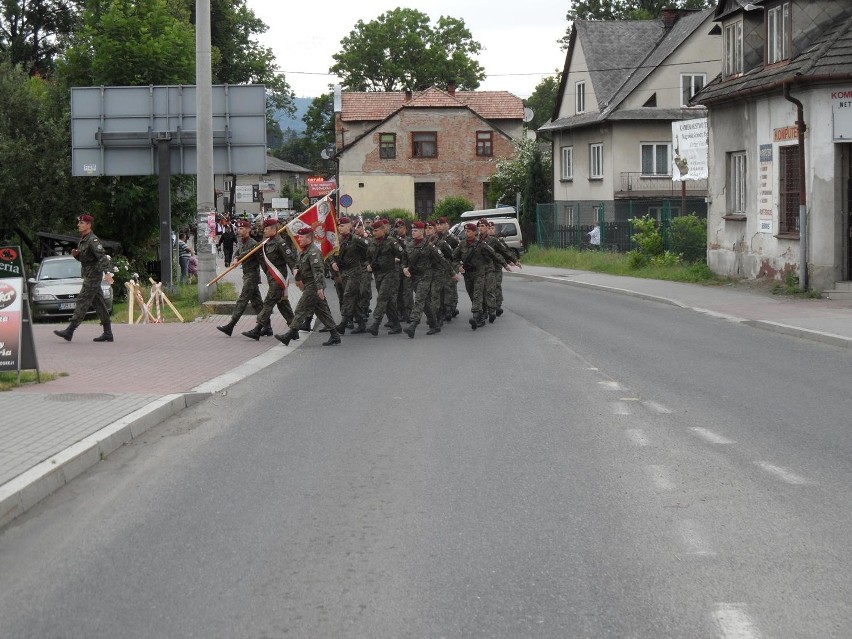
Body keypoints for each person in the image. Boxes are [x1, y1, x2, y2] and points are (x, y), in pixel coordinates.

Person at [274, 226, 341, 346]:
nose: (299, 239)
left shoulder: (314, 252)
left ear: (309, 238)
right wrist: (296, 269)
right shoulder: (304, 251)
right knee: (322, 311)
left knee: (300, 309)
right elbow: (297, 264)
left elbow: (318, 271)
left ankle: (289, 335)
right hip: (309, 284)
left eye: (301, 237)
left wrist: (320, 288)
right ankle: (335, 335)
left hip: (313, 286)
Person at [53, 214, 115, 343]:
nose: (78, 225)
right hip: (89, 274)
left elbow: (102, 257)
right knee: (99, 303)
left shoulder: (93, 240)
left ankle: (70, 330)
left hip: (93, 276)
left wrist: (108, 272)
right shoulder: (83, 239)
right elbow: (86, 259)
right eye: (79, 223)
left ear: (88, 225)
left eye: (81, 223)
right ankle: (108, 332)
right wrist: (77, 255)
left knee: (82, 300)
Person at [241, 218, 297, 340]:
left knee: (268, 302)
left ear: (273, 229)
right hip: (271, 278)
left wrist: (297, 274)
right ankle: (294, 329)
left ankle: (257, 329)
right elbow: (251, 251)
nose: (264, 231)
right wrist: (237, 258)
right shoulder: (266, 242)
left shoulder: (280, 243)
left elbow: (290, 259)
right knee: (283, 305)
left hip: (279, 278)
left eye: (266, 229)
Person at [402, 221, 452, 338]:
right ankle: (434, 324)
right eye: (412, 230)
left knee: (419, 299)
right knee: (425, 303)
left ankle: (413, 325)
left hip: (426, 276)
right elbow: (404, 259)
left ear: (422, 231)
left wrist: (452, 273)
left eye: (416, 231)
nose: (413, 232)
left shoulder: (429, 246)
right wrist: (404, 268)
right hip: (414, 277)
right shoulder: (409, 245)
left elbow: (442, 260)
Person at [216, 219, 263, 336]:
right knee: (257, 303)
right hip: (246, 275)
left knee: (242, 300)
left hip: (252, 275)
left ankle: (231, 325)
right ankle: (267, 326)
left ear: (248, 230)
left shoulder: (253, 243)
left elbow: (248, 253)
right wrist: (235, 258)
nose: (239, 230)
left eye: (241, 228)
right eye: (238, 228)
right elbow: (238, 252)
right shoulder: (242, 241)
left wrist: (238, 257)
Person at [365, 218, 407, 336]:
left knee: (382, 297)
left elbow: (403, 254)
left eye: (377, 230)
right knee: (388, 301)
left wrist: (401, 265)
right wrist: (368, 265)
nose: (374, 232)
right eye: (373, 231)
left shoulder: (391, 241)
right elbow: (367, 258)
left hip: (390, 274)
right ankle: (397, 325)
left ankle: (376, 324)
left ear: (383, 230)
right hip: (378, 275)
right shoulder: (372, 242)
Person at [331, 216, 370, 335]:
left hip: (354, 272)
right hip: (343, 273)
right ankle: (361, 323)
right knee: (354, 298)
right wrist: (332, 262)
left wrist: (366, 263)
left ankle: (343, 322)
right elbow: (331, 253)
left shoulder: (356, 239)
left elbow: (368, 251)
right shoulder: (337, 239)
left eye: (342, 226)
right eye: (339, 226)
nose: (339, 228)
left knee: (347, 295)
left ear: (349, 226)